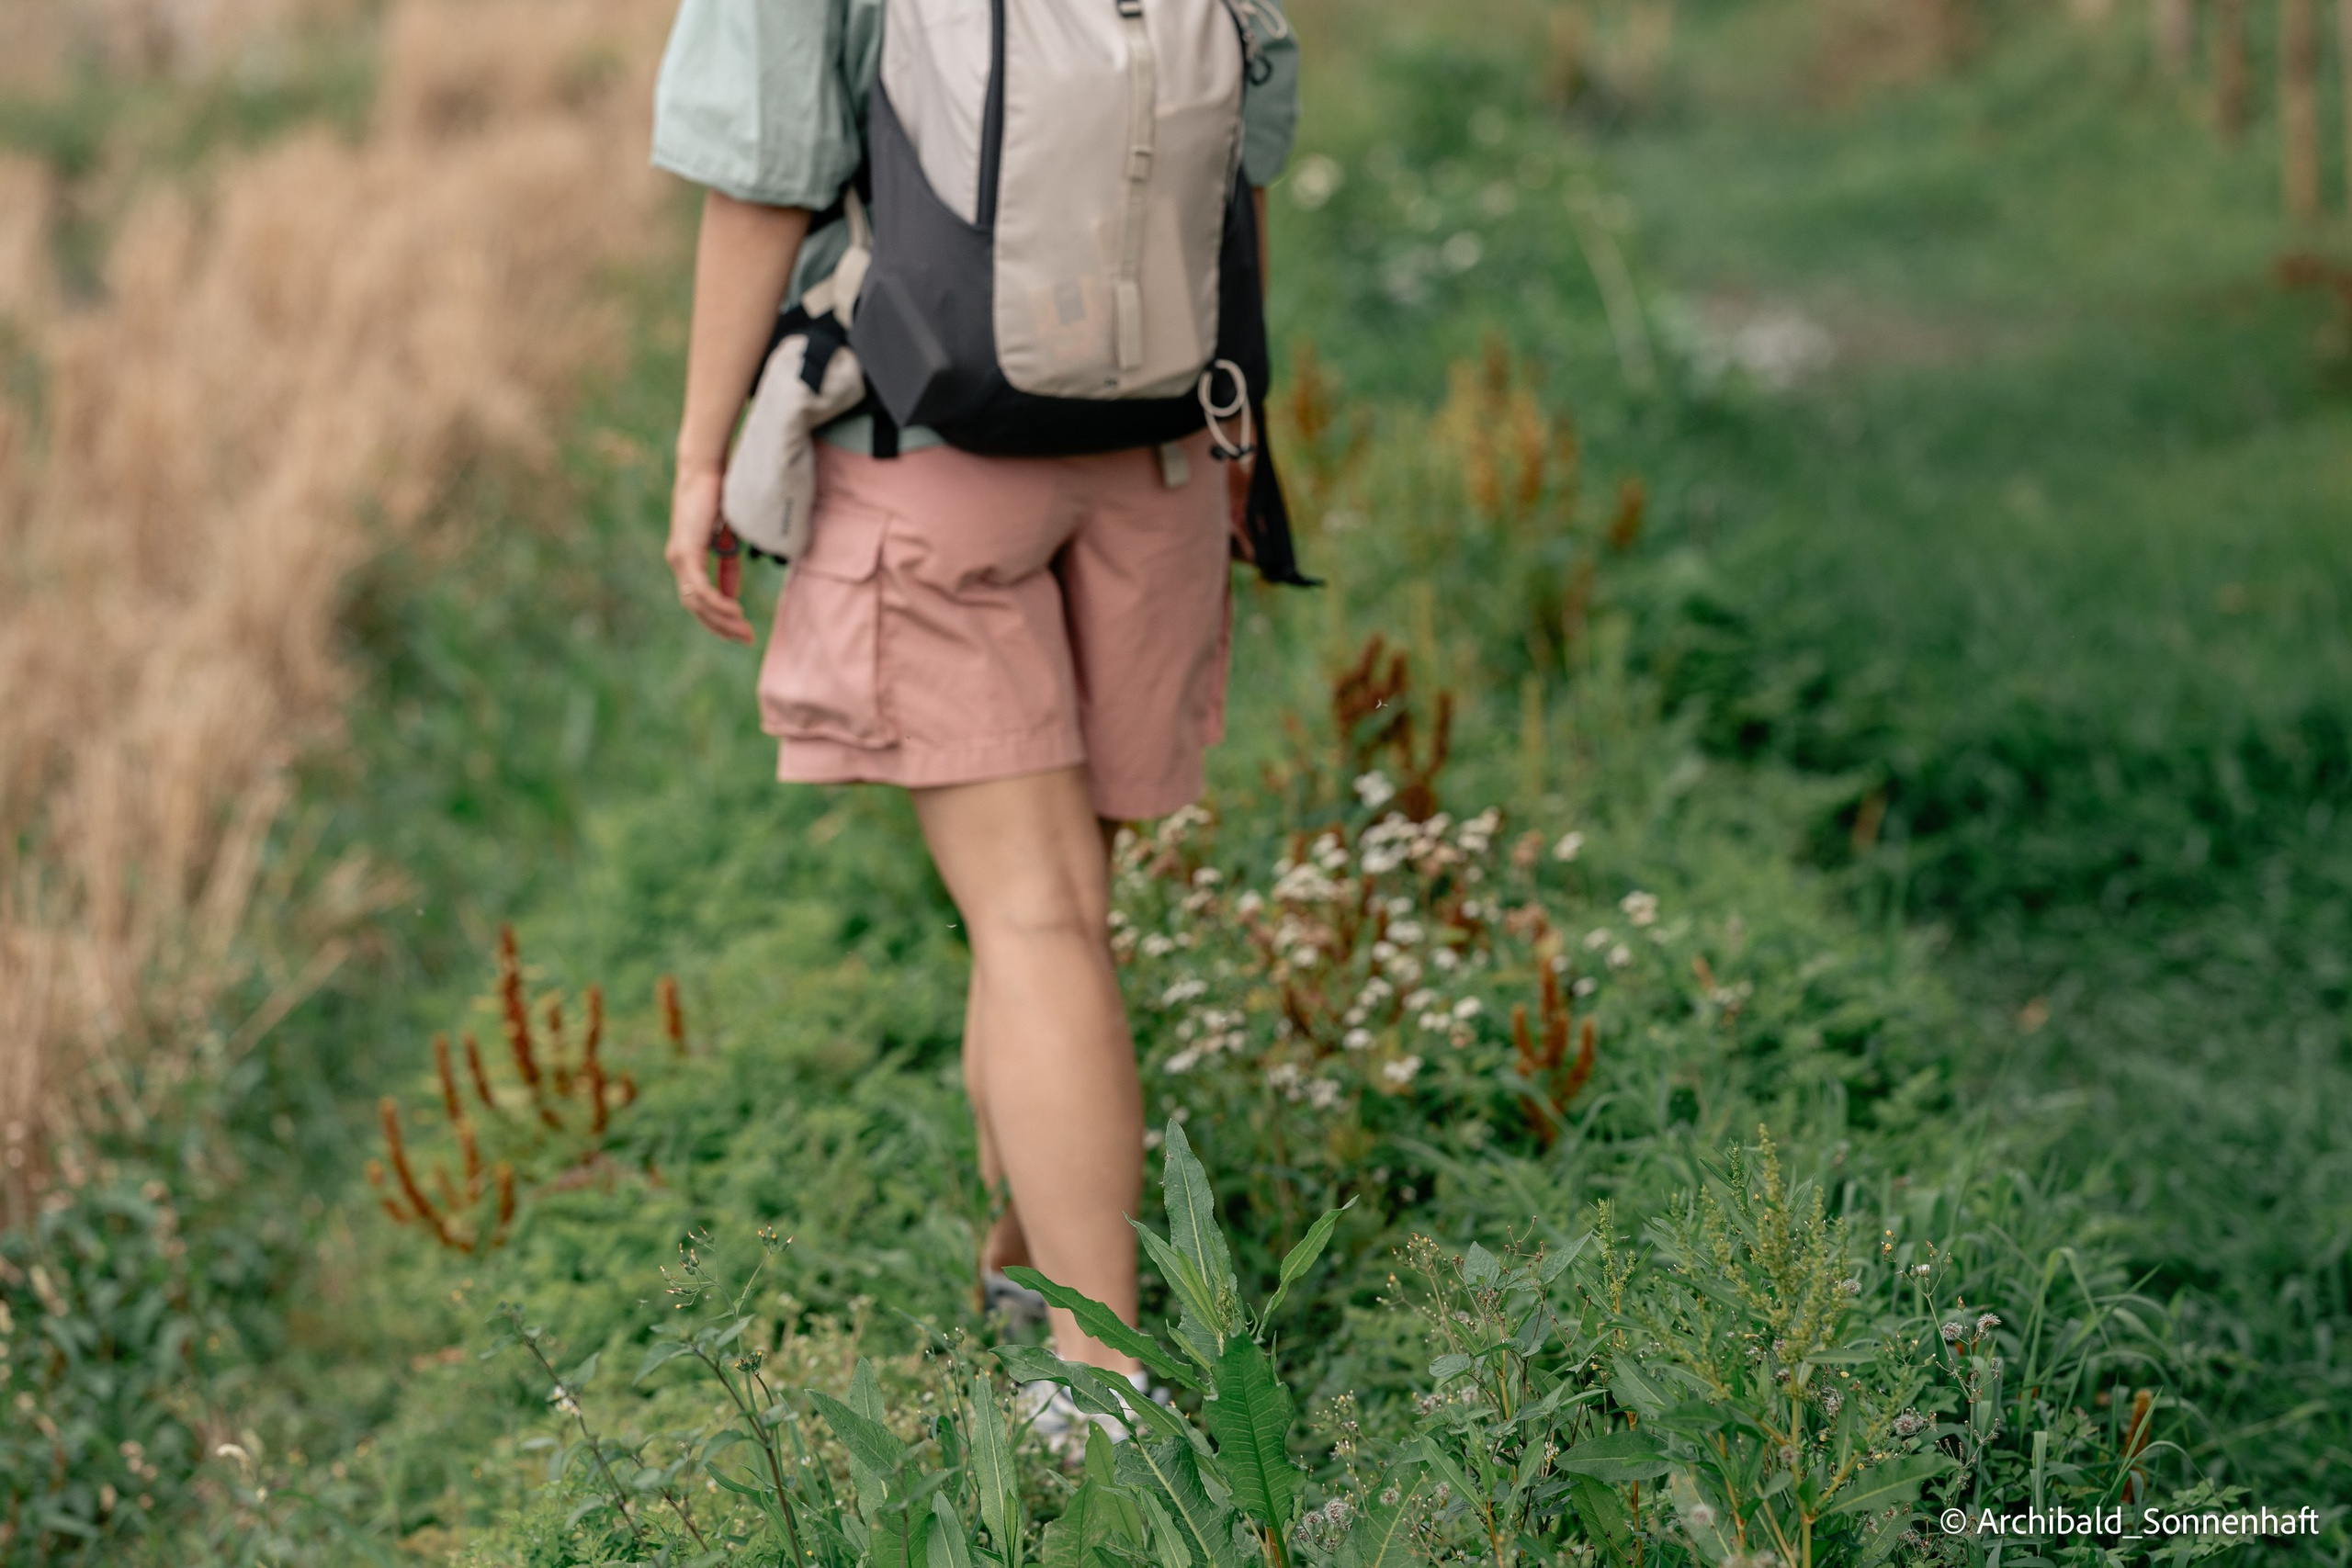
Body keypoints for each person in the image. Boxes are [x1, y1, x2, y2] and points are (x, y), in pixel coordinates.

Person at [649, 0, 1300, 1386]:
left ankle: (1102, 1380)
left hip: (926, 442)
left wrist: (704, 456)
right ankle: (1021, 1257)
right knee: (1061, 913)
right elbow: (1240, 149)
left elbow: (762, 178)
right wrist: (1242, 418)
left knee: (1034, 917)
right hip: (1160, 447)